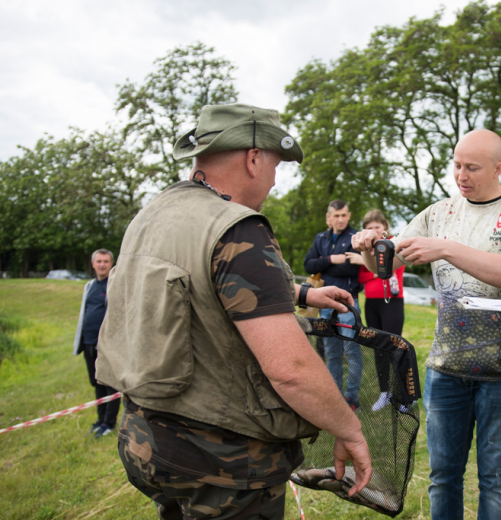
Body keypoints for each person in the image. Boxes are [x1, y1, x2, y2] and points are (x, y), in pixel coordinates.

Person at [95, 103, 371, 520]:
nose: (274, 181)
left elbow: (195, 283)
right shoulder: (237, 227)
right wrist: (349, 429)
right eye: (276, 167)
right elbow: (290, 368)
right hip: (221, 462)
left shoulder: (153, 214)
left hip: (146, 441)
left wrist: (298, 293)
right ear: (254, 158)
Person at [352, 129, 501, 520]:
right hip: (446, 369)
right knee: (443, 477)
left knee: (495, 478)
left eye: (472, 167)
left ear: (499, 167)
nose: (462, 175)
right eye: (457, 165)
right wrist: (370, 246)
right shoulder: (438, 212)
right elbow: (387, 264)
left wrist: (446, 248)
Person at [304, 200, 363, 410]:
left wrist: (325, 262)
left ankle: (351, 397)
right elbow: (308, 264)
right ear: (329, 217)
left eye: (344, 215)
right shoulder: (321, 238)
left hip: (348, 303)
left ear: (349, 216)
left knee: (352, 350)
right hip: (324, 303)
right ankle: (335, 396)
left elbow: (351, 270)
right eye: (336, 215)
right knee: (331, 351)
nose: (341, 219)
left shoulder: (355, 238)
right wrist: (331, 259)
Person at [346, 209, 405, 412]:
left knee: (395, 346)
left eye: (377, 227)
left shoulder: (394, 243)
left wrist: (365, 264)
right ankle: (385, 393)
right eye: (369, 228)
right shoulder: (365, 250)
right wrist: (367, 262)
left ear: (384, 228)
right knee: (379, 348)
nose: (373, 231)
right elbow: (362, 278)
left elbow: (389, 270)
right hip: (372, 302)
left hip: (393, 302)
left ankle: (403, 393)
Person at [73, 248, 119, 438]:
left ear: (111, 264)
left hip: (106, 345)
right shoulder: (89, 286)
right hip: (89, 343)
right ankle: (100, 421)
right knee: (97, 383)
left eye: (106, 261)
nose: (102, 264)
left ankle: (109, 424)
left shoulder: (115, 285)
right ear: (93, 264)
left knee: (110, 385)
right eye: (99, 261)